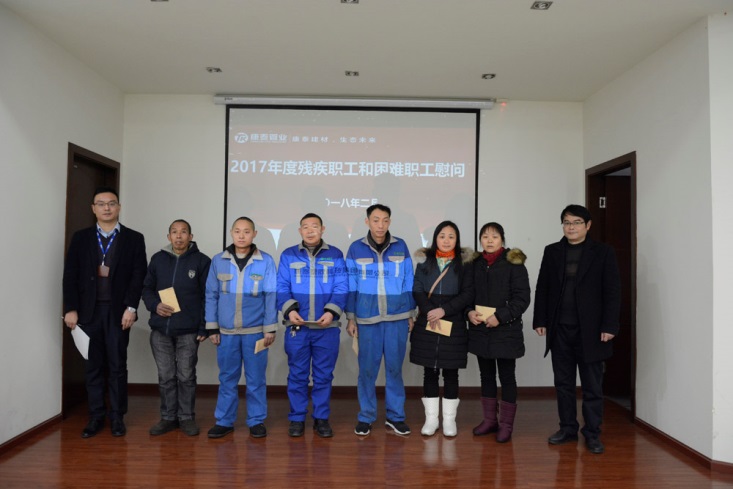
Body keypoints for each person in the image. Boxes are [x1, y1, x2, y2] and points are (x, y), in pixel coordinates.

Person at [533, 204, 621, 454]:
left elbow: (613, 291)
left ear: (588, 225)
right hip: (560, 328)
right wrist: (540, 320)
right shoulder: (552, 251)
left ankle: (592, 433)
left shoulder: (603, 252)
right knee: (563, 384)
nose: (571, 227)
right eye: (567, 222)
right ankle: (568, 429)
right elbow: (543, 287)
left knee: (592, 386)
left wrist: (609, 325)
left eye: (576, 222)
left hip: (591, 331)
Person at [62, 186, 147, 438]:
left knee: (118, 365)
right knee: (93, 367)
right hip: (88, 313)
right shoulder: (81, 238)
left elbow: (138, 275)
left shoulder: (134, 238)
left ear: (119, 207)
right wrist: (70, 309)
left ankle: (117, 417)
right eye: (101, 204)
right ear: (93, 208)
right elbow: (70, 275)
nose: (106, 208)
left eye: (111, 203)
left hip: (119, 312)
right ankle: (96, 416)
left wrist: (131, 307)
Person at [345, 204, 416, 436]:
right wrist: (351, 317)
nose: (380, 225)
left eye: (385, 220)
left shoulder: (400, 246)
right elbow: (351, 285)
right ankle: (366, 417)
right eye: (376, 220)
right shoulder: (356, 248)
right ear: (367, 221)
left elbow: (409, 280)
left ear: (390, 222)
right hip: (367, 319)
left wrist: (410, 312)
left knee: (395, 369)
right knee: (367, 371)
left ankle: (395, 417)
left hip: (397, 317)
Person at [205, 217, 277, 439]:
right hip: (226, 333)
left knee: (256, 379)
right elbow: (211, 295)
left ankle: (256, 421)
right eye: (237, 231)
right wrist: (212, 327)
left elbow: (271, 296)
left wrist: (270, 328)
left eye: (246, 231)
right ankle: (224, 421)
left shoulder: (265, 261)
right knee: (227, 378)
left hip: (255, 333)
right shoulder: (219, 260)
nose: (241, 235)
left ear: (254, 234)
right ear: (231, 233)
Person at [277, 213, 348, 438]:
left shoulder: (335, 254)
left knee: (323, 376)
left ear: (322, 229)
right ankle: (297, 418)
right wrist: (290, 310)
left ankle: (321, 418)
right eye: (305, 227)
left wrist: (331, 312)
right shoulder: (288, 255)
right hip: (297, 327)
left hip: (326, 328)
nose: (310, 231)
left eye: (314, 226)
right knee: (297, 375)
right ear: (300, 231)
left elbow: (342, 287)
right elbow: (281, 286)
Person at [141, 219, 211, 436]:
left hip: (188, 330)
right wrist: (155, 305)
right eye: (174, 232)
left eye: (183, 232)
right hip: (160, 330)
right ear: (168, 236)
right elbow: (146, 289)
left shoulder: (202, 261)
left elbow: (208, 297)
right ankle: (168, 417)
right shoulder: (158, 259)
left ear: (191, 236)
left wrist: (204, 327)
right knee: (166, 376)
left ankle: (187, 417)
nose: (179, 236)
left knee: (186, 376)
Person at [467, 222, 531, 443]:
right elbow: (467, 294)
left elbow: (522, 299)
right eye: (485, 236)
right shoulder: (474, 264)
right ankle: (489, 421)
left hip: (506, 331)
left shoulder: (514, 263)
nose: (489, 240)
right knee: (486, 376)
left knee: (507, 377)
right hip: (481, 330)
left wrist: (500, 317)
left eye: (494, 236)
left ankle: (506, 425)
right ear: (480, 240)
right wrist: (468, 312)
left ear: (502, 239)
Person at [409, 221, 474, 437]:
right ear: (435, 238)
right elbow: (417, 289)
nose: (446, 240)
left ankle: (449, 420)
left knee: (451, 372)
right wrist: (430, 310)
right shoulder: (424, 262)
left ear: (457, 240)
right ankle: (431, 420)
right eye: (442, 236)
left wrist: (444, 310)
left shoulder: (464, 265)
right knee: (429, 371)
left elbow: (467, 294)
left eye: (451, 236)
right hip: (428, 321)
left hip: (453, 323)